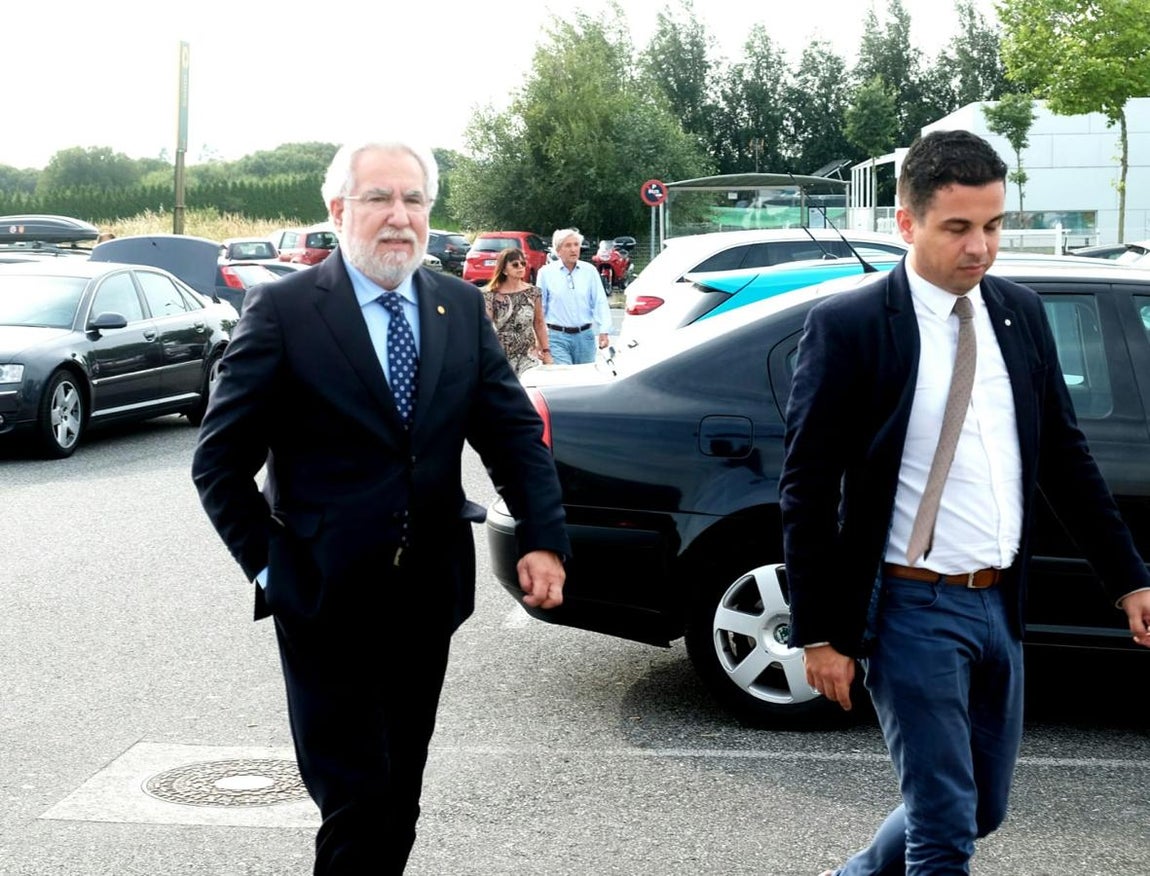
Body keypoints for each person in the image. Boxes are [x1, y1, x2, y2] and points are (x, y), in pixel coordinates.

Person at [191, 134, 570, 875]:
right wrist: (272, 570)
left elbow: (512, 434)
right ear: (338, 210)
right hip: (323, 598)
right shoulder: (285, 310)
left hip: (426, 594)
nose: (400, 216)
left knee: (400, 796)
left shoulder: (459, 306)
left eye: (413, 199)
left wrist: (542, 536)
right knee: (357, 801)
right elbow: (219, 462)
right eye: (378, 198)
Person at [779, 129, 1150, 875]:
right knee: (944, 831)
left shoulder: (1019, 312)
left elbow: (1065, 458)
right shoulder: (852, 328)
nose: (980, 247)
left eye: (993, 225)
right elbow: (807, 488)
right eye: (958, 227)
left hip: (1000, 602)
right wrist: (819, 633)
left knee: (980, 807)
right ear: (907, 222)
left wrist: (1128, 578)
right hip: (911, 607)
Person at [536, 227, 612, 364]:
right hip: (556, 337)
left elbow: (599, 301)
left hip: (585, 337)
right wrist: (540, 341)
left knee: (583, 376)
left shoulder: (590, 271)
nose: (573, 249)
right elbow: (540, 308)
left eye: (576, 245)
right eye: (568, 245)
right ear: (558, 250)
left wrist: (604, 330)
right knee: (563, 374)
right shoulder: (545, 273)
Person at [482, 247, 552, 373]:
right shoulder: (491, 295)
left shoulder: (533, 292)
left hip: (528, 355)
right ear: (504, 270)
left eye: (523, 263)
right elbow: (486, 327)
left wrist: (546, 351)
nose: (520, 267)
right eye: (515, 264)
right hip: (501, 355)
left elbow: (539, 323)